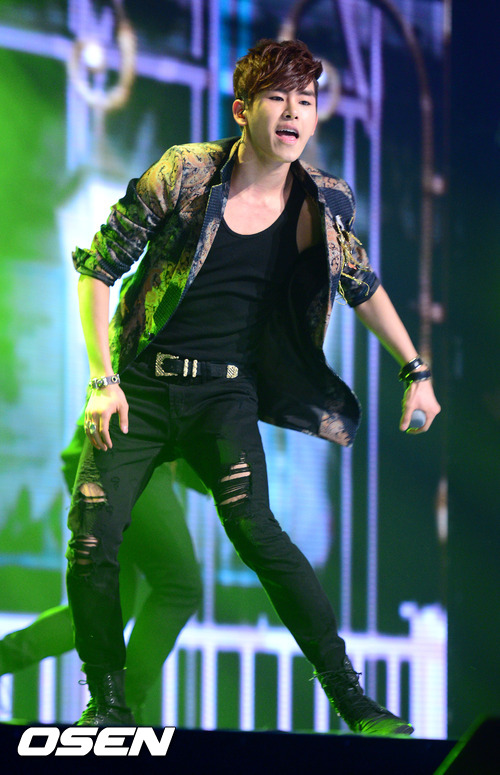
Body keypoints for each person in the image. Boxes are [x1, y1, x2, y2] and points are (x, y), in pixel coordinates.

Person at [67, 38, 440, 733]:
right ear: (243, 110)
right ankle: (108, 701)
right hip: (141, 387)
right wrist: (102, 379)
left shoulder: (323, 202)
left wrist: (415, 370)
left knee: (259, 533)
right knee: (93, 537)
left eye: (306, 101)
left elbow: (363, 286)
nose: (293, 113)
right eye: (277, 98)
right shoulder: (186, 173)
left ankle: (353, 701)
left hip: (225, 395)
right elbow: (98, 269)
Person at [0, 422, 203, 722]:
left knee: (109, 606)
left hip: (102, 456)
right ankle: (120, 705)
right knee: (180, 588)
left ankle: (114, 705)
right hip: (130, 459)